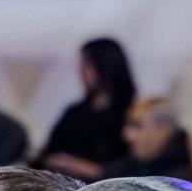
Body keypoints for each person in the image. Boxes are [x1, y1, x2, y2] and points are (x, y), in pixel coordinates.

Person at [37, 37, 136, 180]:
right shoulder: (74, 113)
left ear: (107, 65)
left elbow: (137, 163)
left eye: (87, 66)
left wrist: (96, 170)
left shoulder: (132, 113)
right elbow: (48, 153)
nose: (81, 72)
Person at [104, 96, 192, 185]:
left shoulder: (184, 185)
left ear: (163, 130)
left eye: (137, 126)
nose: (127, 135)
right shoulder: (123, 171)